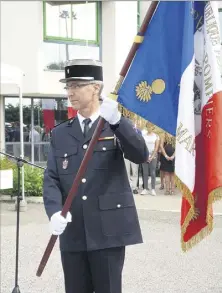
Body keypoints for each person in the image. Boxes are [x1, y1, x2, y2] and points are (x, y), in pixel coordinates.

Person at [43, 59, 149, 293]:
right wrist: (53, 212)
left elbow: (141, 154)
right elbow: (51, 178)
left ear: (96, 88)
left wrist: (118, 122)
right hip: (73, 231)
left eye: (77, 85)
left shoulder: (114, 124)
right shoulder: (61, 133)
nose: (71, 92)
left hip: (107, 231)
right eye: (68, 86)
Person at [141, 124, 160, 196]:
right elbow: (142, 145)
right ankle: (145, 189)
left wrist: (151, 157)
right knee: (145, 173)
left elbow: (156, 147)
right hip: (145, 155)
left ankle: (153, 189)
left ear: (153, 128)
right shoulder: (143, 136)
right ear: (146, 127)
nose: (149, 128)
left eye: (151, 127)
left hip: (153, 155)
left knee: (152, 173)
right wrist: (146, 156)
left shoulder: (156, 136)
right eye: (148, 127)